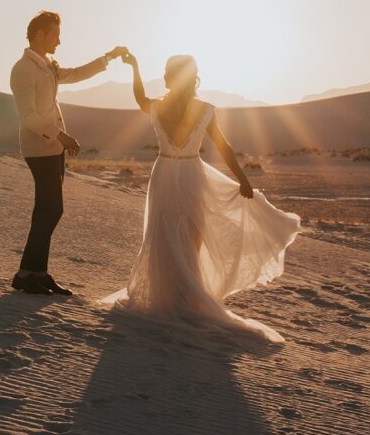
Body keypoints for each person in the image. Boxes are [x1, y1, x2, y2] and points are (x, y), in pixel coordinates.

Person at [100, 53, 301, 342]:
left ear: (170, 76)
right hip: (192, 173)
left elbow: (140, 98)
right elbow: (224, 146)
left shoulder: (158, 106)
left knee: (162, 233)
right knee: (192, 236)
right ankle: (186, 298)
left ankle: (168, 298)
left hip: (165, 172)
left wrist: (134, 68)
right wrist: (242, 178)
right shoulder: (204, 109)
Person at [9, 9, 127, 296]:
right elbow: (28, 117)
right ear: (39, 34)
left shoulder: (47, 65)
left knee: (47, 210)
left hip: (52, 147)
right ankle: (27, 274)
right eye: (55, 35)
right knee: (52, 209)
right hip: (40, 148)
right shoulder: (23, 69)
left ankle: (36, 273)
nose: (59, 41)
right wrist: (60, 135)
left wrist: (108, 57)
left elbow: (75, 74)